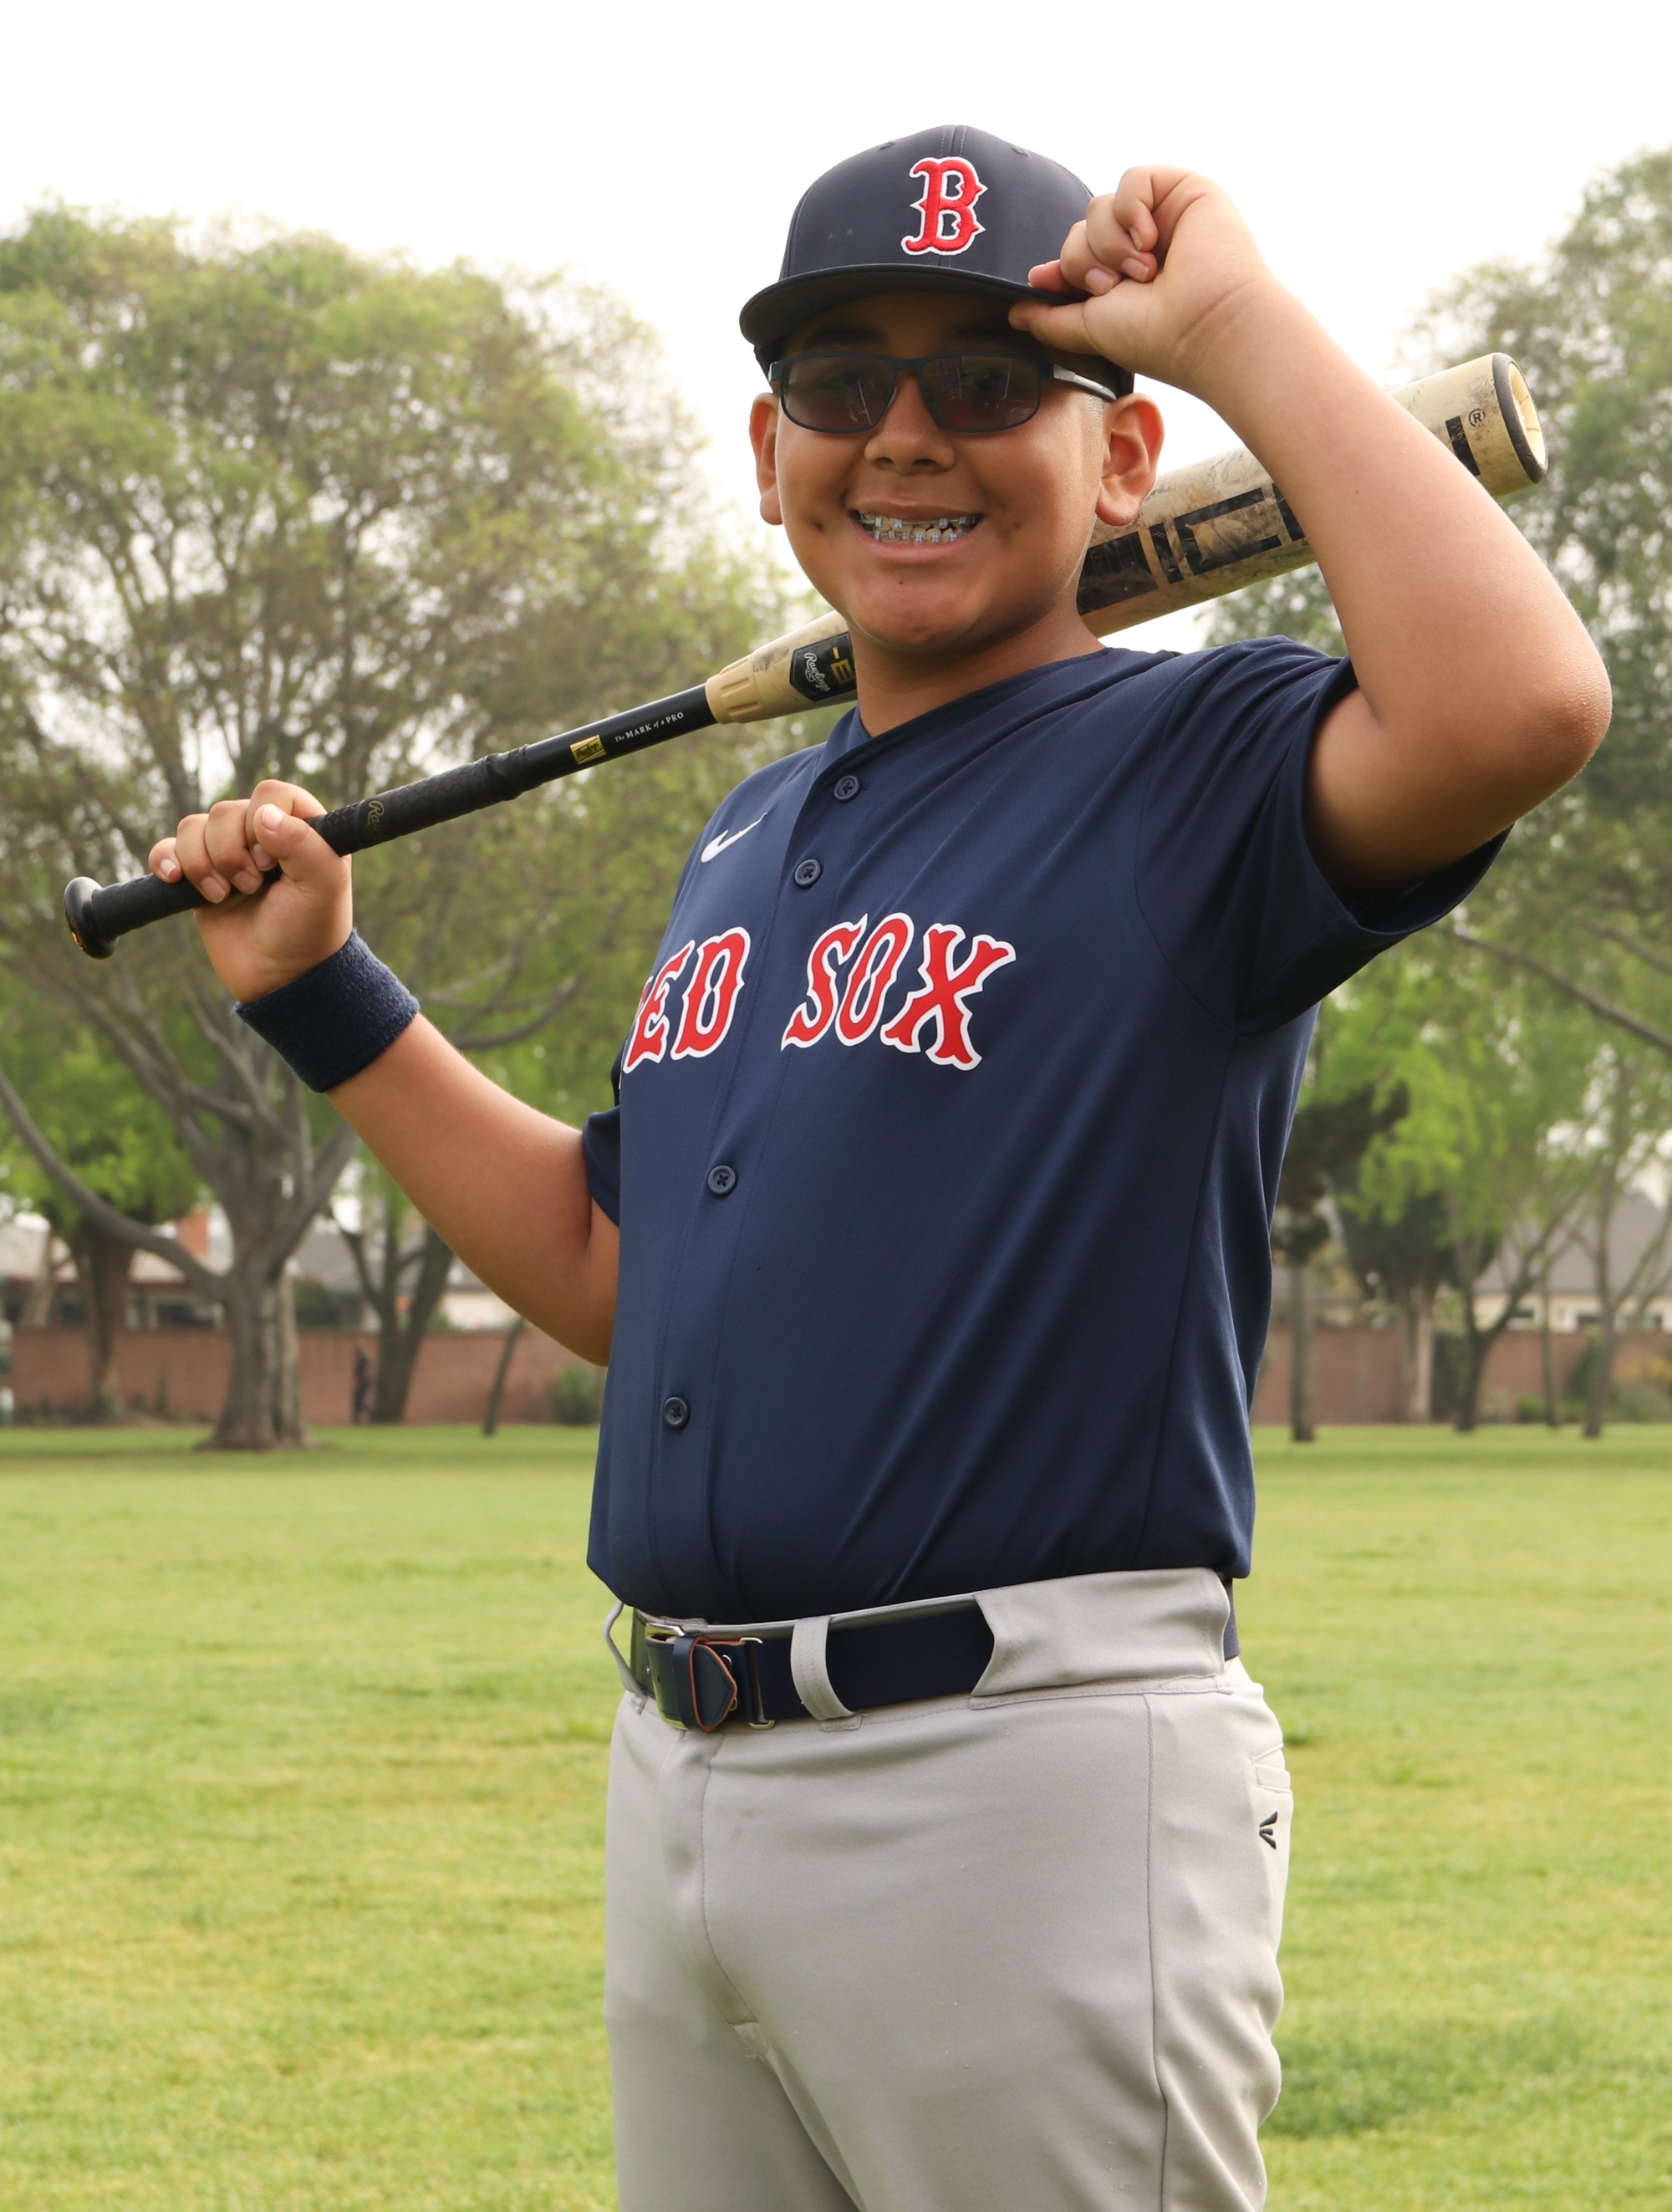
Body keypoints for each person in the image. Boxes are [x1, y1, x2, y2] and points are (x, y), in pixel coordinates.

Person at [145, 128, 1608, 2211]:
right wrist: (324, 992)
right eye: (844, 383)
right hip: (680, 1766)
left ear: (1124, 458)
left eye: (993, 380)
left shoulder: (1191, 763)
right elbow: (613, 1263)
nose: (908, 432)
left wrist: (1229, 323)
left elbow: (1519, 701)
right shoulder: (750, 834)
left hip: (1017, 1768)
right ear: (773, 455)